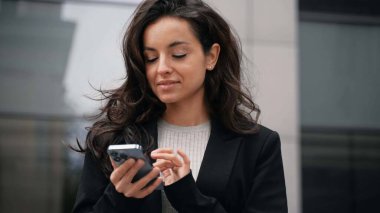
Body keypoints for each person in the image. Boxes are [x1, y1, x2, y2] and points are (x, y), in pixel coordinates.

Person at [72, 0, 288, 212]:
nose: (162, 68)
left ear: (211, 56)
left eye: (178, 55)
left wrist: (188, 197)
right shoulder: (110, 139)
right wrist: (120, 197)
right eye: (151, 58)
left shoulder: (258, 146)